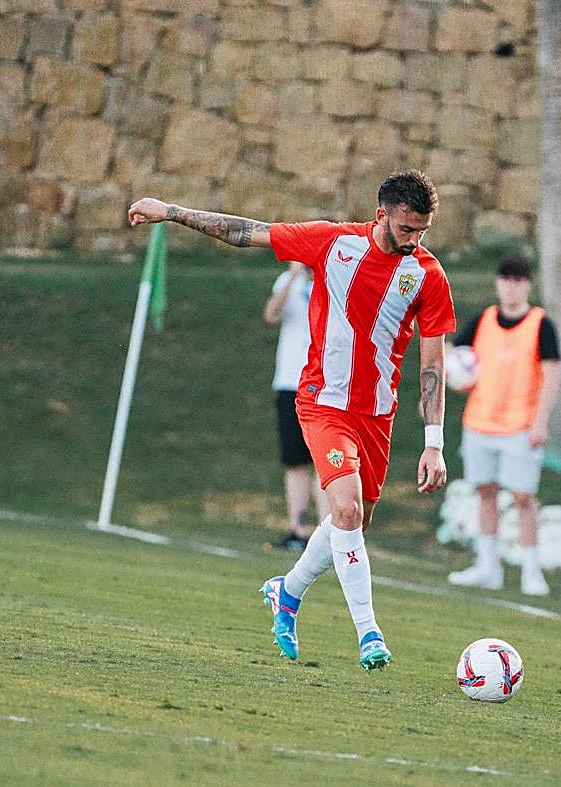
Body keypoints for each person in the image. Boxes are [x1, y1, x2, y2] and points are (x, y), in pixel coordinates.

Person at [127, 169, 456, 671]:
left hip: (376, 415)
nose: (415, 240)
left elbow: (432, 367)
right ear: (381, 215)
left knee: (354, 521)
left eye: (423, 232)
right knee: (346, 510)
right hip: (323, 403)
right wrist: (171, 212)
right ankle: (369, 633)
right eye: (407, 228)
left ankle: (289, 590)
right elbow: (246, 231)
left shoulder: (428, 276)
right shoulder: (333, 243)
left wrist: (434, 442)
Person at [446, 253, 561, 597]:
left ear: (527, 285)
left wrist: (540, 422)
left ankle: (531, 571)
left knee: (523, 496)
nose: (511, 287)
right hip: (480, 422)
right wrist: (457, 374)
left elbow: (552, 375)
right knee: (485, 492)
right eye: (506, 280)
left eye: (518, 281)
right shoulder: (484, 319)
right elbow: (455, 353)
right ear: (498, 283)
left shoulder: (540, 323)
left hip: (520, 426)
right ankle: (488, 567)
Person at [264, 260, 329, 552]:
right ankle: (298, 530)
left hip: (324, 386)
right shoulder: (287, 281)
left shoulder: (333, 282)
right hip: (290, 382)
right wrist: (292, 278)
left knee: (325, 462)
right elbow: (271, 314)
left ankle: (326, 532)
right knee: (295, 460)